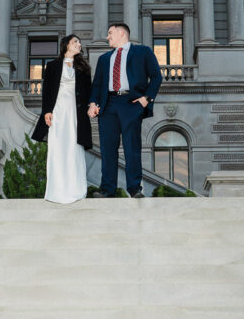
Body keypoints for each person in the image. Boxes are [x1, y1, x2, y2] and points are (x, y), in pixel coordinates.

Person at [88, 23, 162, 198]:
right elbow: (97, 85)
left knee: (132, 148)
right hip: (108, 105)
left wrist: (146, 99)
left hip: (131, 103)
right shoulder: (104, 59)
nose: (107, 37)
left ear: (122, 33)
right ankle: (107, 190)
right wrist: (92, 103)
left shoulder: (143, 52)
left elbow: (157, 76)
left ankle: (135, 189)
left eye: (110, 33)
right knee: (107, 149)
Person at [31, 34, 92, 203]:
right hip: (57, 111)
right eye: (75, 42)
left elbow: (88, 92)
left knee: (74, 148)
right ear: (66, 45)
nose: (79, 44)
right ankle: (56, 191)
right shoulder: (52, 66)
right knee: (57, 149)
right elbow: (47, 91)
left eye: (79, 42)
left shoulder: (84, 68)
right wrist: (47, 111)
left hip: (76, 113)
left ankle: (77, 190)